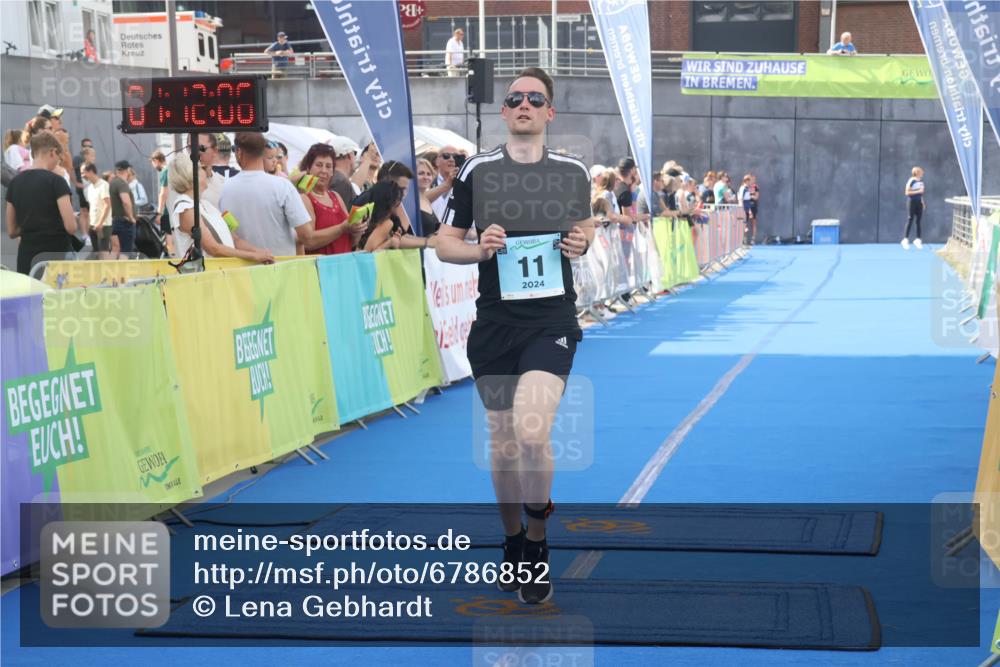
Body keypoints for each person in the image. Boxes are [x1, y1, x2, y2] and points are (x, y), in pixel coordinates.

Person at [436, 66, 593, 605]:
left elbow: (586, 226)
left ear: (550, 112)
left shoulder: (572, 170)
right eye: (515, 98)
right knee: (503, 443)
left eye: (535, 98)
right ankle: (512, 545)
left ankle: (538, 539)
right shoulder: (478, 170)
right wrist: (481, 248)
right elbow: (444, 243)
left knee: (530, 428)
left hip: (551, 321)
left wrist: (581, 243)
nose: (524, 104)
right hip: (495, 325)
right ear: (504, 112)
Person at [219, 132, 321, 257]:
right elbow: (306, 236)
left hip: (243, 270)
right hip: (281, 267)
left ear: (239, 153)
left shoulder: (224, 188)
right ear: (263, 153)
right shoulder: (283, 186)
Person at [168, 152, 274, 262]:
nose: (206, 171)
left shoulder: (206, 205)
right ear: (191, 174)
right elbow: (213, 248)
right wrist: (253, 256)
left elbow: (234, 240)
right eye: (201, 168)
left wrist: (258, 252)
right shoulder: (186, 208)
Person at [5, 131, 78, 274]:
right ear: (52, 152)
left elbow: (12, 231)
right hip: (56, 256)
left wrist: (31, 225)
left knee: (32, 295)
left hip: (27, 257)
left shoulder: (15, 183)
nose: (59, 161)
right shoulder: (57, 182)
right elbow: (70, 227)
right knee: (58, 296)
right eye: (59, 157)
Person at [297, 143, 357, 255]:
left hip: (344, 265)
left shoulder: (336, 196)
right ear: (309, 169)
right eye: (319, 165)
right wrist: (342, 228)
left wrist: (357, 229)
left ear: (333, 171)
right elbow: (308, 241)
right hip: (322, 268)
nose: (324, 171)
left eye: (328, 166)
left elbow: (352, 242)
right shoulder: (305, 198)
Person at [358, 180, 406, 252]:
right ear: (391, 202)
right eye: (399, 199)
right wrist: (389, 243)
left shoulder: (366, 216)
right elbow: (367, 253)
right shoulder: (387, 223)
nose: (400, 203)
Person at [81, 162, 111, 253]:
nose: (82, 176)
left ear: (91, 171)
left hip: (103, 225)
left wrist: (100, 223)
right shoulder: (89, 188)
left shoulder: (103, 185)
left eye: (83, 172)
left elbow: (107, 204)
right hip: (93, 226)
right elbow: (91, 207)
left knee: (103, 252)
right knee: (96, 252)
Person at [108, 160, 137, 255]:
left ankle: (113, 270)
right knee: (126, 252)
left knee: (115, 249)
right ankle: (124, 270)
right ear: (128, 169)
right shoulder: (122, 183)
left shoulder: (113, 183)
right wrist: (131, 217)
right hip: (124, 223)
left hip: (114, 221)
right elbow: (126, 202)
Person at [329, 136, 361, 205]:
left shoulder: (332, 177)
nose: (355, 157)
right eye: (354, 153)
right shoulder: (342, 182)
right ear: (349, 155)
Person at [416, 157, 441, 235]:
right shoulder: (408, 201)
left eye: (429, 174)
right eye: (421, 173)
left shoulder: (425, 200)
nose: (426, 177)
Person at [902, 166, 925, 250]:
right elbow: (907, 192)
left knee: (918, 220)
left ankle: (918, 239)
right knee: (910, 218)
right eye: (921, 171)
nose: (923, 172)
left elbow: (921, 193)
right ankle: (905, 239)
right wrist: (918, 191)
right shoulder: (912, 180)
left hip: (919, 202)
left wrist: (922, 201)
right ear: (917, 172)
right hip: (912, 202)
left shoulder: (921, 182)